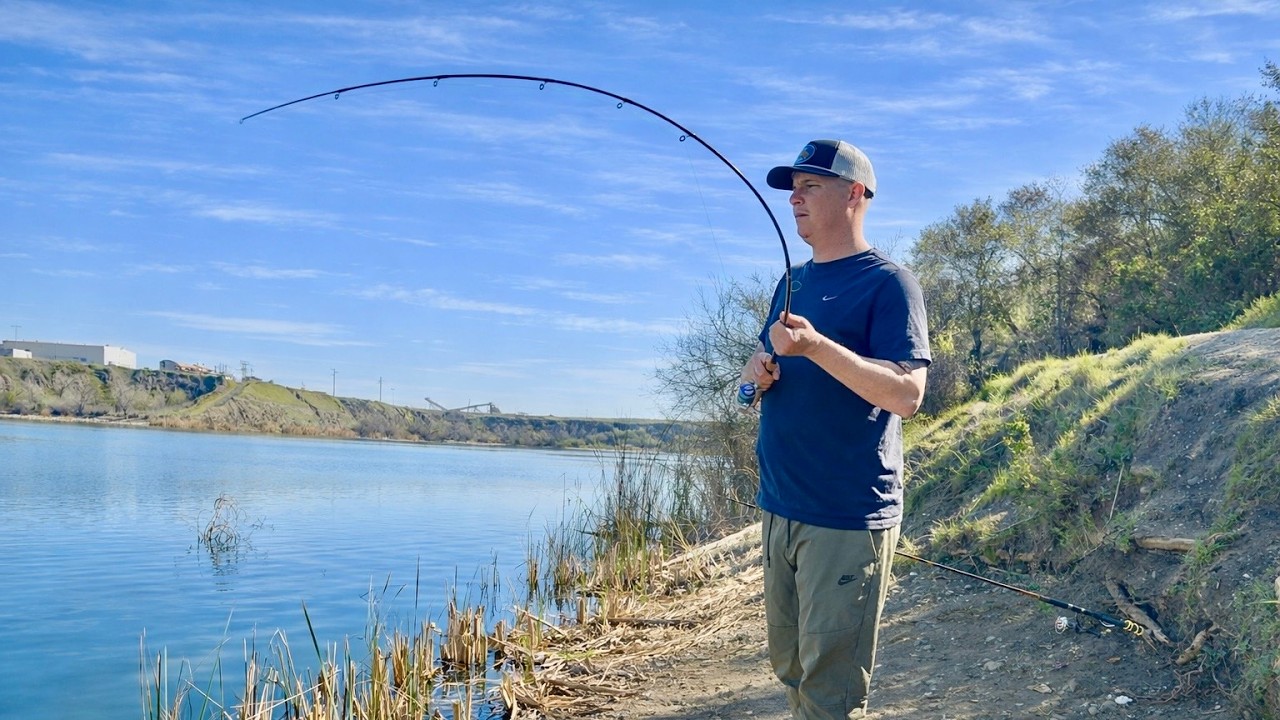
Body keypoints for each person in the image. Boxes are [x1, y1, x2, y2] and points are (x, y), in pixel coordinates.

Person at [740, 139, 931, 719]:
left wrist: (818, 346)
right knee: (792, 668)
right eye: (792, 190)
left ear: (854, 194)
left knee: (832, 691)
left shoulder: (891, 284)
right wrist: (753, 381)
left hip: (846, 517)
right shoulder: (790, 283)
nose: (794, 200)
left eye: (810, 187)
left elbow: (906, 394)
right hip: (780, 506)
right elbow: (755, 384)